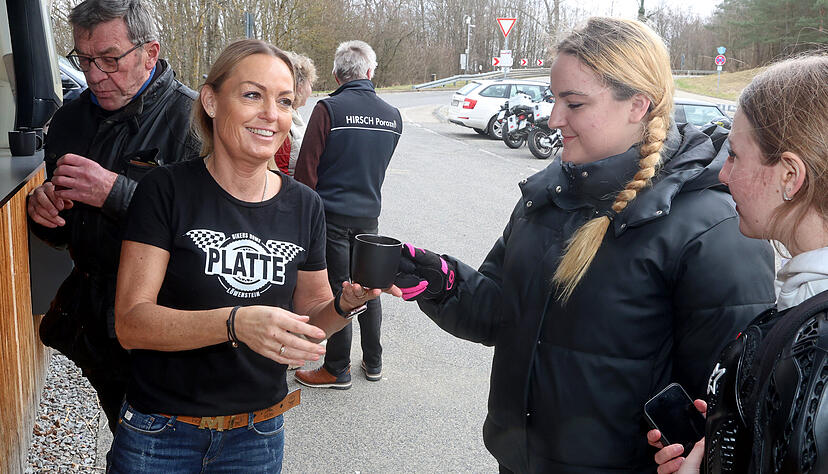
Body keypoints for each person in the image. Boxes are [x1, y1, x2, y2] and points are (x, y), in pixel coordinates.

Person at [393, 17, 777, 472]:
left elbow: (728, 403)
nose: (553, 119)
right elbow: (501, 314)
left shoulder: (710, 227)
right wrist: (444, 283)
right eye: (553, 99)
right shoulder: (546, 193)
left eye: (573, 103)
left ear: (638, 105)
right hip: (517, 460)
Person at [109, 39, 395, 471]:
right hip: (161, 434)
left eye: (283, 101)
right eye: (251, 95)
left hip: (257, 435)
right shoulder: (165, 191)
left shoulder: (305, 205)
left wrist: (345, 305)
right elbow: (131, 323)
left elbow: (311, 322)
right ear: (210, 100)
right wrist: (237, 323)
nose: (271, 115)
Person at [648, 55, 828, 474]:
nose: (724, 175)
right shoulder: (803, 301)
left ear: (789, 175)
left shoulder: (817, 344)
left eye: (734, 155)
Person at [27, 0, 198, 432]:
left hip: (168, 327)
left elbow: (211, 235)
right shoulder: (69, 120)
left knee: (153, 445)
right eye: (84, 59)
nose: (94, 75)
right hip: (97, 326)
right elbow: (66, 235)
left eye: (109, 59)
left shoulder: (195, 121)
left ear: (150, 53)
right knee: (127, 433)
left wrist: (117, 194)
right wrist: (43, 212)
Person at [294, 40, 402, 389]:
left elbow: (306, 171)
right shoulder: (392, 116)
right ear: (370, 73)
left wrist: (303, 219)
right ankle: (373, 361)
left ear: (337, 74)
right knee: (370, 287)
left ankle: (336, 368)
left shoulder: (329, 110)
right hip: (369, 217)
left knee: (340, 292)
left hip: (331, 218)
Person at [269, 51, 317, 176]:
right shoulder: (284, 121)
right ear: (299, 86)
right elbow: (278, 169)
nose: (311, 90)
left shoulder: (295, 115)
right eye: (310, 84)